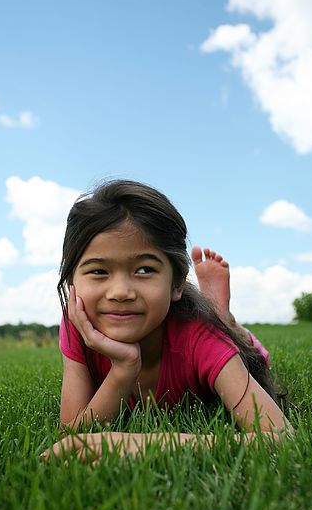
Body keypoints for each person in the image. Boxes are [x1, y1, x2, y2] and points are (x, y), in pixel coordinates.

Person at [42, 179, 291, 461]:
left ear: (176, 284)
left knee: (243, 346)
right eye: (99, 271)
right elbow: (73, 436)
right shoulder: (78, 321)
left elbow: (280, 437)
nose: (121, 292)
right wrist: (123, 368)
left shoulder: (199, 339)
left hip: (207, 333)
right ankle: (219, 313)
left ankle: (224, 318)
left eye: (145, 269)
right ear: (72, 281)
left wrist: (154, 444)